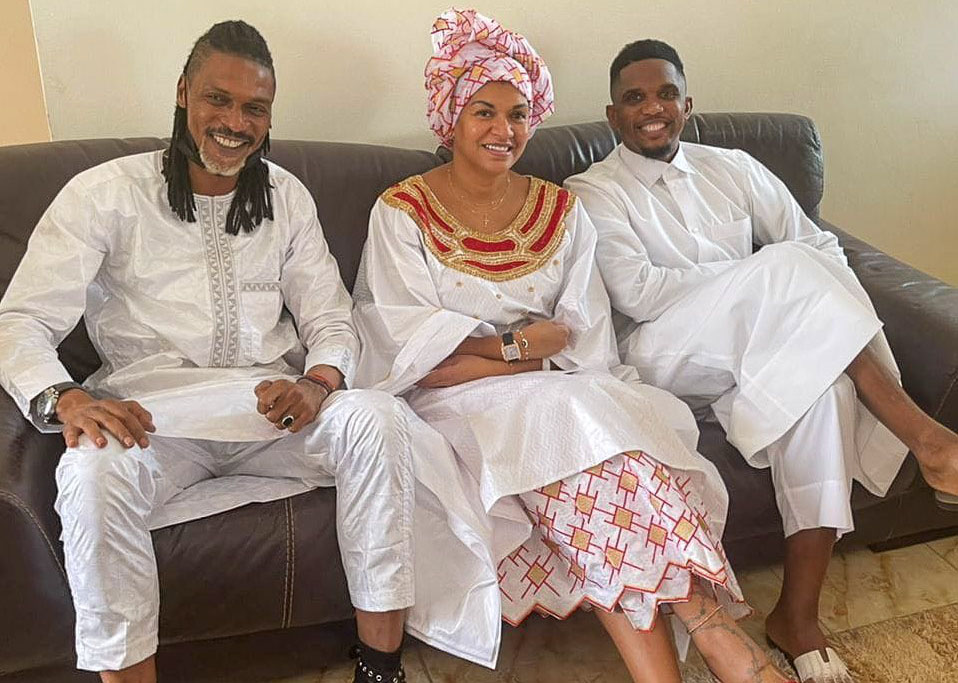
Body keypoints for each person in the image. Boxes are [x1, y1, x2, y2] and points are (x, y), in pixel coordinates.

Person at [352, 9, 796, 683]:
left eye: (518, 114)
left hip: (561, 394)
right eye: (484, 112)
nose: (504, 130)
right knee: (581, 425)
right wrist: (522, 345)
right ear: (450, 118)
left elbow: (583, 342)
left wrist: (496, 350)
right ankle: (722, 640)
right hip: (454, 410)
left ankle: (689, 657)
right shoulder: (402, 212)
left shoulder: (560, 210)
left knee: (595, 441)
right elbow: (417, 358)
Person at [0, 21, 421, 683]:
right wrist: (68, 398)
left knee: (381, 419)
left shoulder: (286, 197)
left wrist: (317, 382)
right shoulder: (105, 193)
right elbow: (21, 320)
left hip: (272, 415)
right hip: (153, 420)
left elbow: (330, 317)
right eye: (217, 100)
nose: (235, 123)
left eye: (255, 108)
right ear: (183, 94)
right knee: (89, 472)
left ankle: (379, 665)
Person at [565, 38, 958, 683]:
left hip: (755, 350)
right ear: (614, 115)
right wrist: (761, 278)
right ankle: (926, 438)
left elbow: (818, 246)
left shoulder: (735, 168)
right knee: (782, 268)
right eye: (635, 98)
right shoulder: (593, 190)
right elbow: (638, 293)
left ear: (687, 104)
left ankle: (797, 617)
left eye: (666, 94)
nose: (652, 108)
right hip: (661, 355)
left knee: (826, 387)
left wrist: (776, 285)